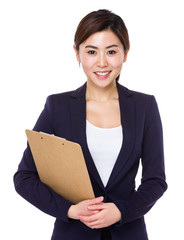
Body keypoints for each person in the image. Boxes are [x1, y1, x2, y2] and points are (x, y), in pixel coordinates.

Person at [14, 9, 167, 240]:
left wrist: (121, 211)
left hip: (129, 233)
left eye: (112, 51)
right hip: (73, 234)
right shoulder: (58, 106)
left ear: (125, 53)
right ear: (77, 54)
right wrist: (69, 209)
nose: (102, 62)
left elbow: (156, 181)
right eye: (92, 51)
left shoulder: (144, 106)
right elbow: (24, 177)